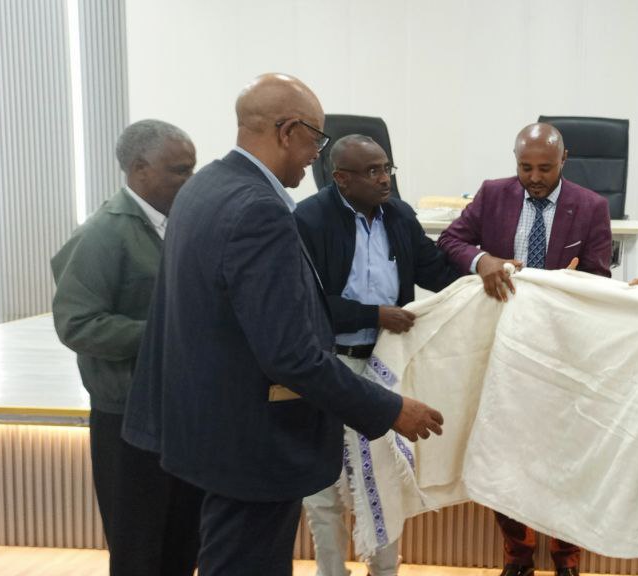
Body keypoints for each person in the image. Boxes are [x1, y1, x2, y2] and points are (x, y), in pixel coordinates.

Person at [121, 73, 444, 576]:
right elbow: (291, 354)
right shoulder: (260, 209)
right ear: (289, 131)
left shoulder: (204, 186)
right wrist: (390, 409)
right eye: (316, 140)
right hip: (253, 439)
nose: (317, 155)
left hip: (204, 425)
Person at [436, 122, 613, 576]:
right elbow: (451, 241)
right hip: (503, 348)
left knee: (563, 458)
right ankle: (518, 558)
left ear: (564, 160)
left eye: (545, 168)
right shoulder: (493, 194)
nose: (534, 177)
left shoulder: (591, 206)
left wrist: (573, 282)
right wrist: (483, 261)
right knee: (507, 456)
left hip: (561, 351)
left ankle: (566, 560)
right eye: (525, 167)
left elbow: (600, 279)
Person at [293, 134, 463, 576]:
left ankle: (385, 571)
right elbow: (305, 303)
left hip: (387, 363)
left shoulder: (399, 215)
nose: (384, 178)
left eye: (387, 168)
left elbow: (438, 272)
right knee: (324, 484)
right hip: (330, 363)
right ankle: (331, 571)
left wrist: (484, 277)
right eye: (372, 172)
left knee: (383, 477)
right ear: (341, 178)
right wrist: (373, 314)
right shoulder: (309, 219)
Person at [51, 119, 202, 576]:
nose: (190, 180)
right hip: (127, 419)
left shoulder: (177, 226)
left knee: (182, 543)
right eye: (180, 170)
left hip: (178, 411)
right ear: (139, 169)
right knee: (138, 550)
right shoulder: (102, 233)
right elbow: (77, 324)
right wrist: (164, 333)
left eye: (192, 168)